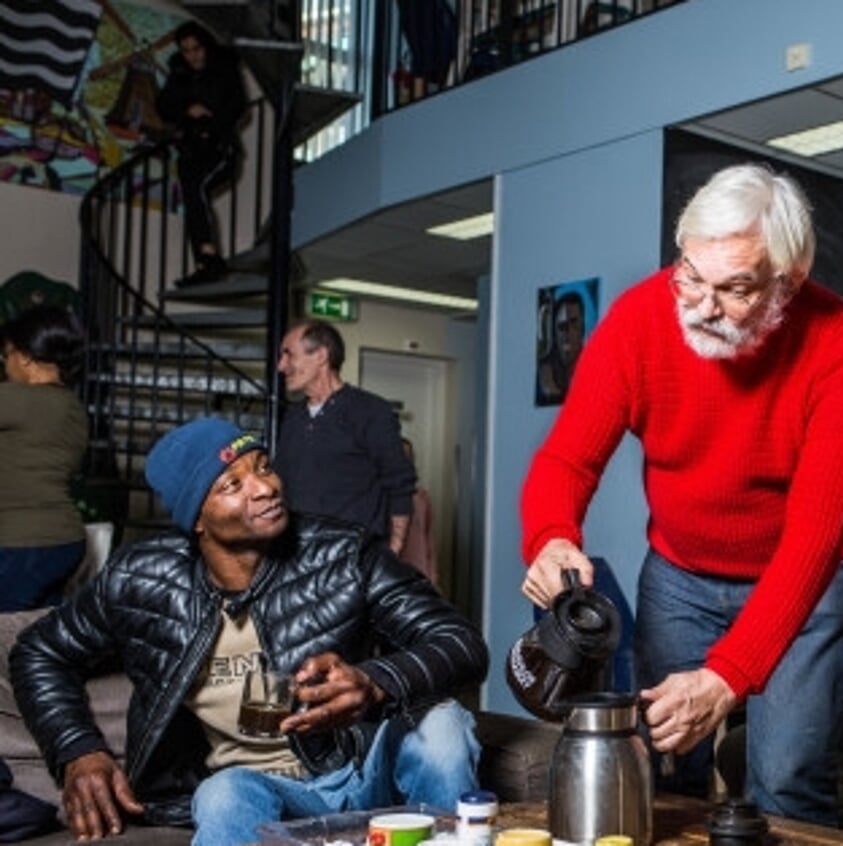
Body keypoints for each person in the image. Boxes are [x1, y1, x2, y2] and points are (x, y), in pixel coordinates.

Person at [518, 163, 843, 826]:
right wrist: (550, 536)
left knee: (787, 781)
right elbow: (567, 458)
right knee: (663, 771)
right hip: (680, 573)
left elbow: (811, 544)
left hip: (804, 578)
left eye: (734, 288)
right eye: (690, 274)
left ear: (789, 282)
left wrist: (725, 678)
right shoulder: (639, 318)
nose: (702, 305)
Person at [9, 418, 487, 846]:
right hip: (255, 791)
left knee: (445, 726)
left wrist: (376, 680)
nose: (263, 488)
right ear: (197, 518)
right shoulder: (140, 580)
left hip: (362, 769)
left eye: (264, 467)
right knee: (223, 795)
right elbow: (38, 651)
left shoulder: (345, 555)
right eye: (232, 484)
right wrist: (78, 750)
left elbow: (460, 642)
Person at [274, 320, 416, 554]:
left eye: (289, 355)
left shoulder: (371, 411)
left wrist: (394, 552)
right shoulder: (293, 418)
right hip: (297, 559)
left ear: (320, 355)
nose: (281, 366)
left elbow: (400, 486)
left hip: (352, 560)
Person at [0, 305, 88, 611]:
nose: (5, 365)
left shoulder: (17, 398)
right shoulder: (74, 408)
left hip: (21, 545)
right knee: (37, 639)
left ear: (24, 357)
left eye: (6, 355)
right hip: (66, 542)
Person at [156, 21, 247, 287]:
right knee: (194, 199)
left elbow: (237, 107)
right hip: (190, 151)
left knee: (196, 190)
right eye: (186, 50)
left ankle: (209, 259)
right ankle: (204, 262)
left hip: (220, 149)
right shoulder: (179, 72)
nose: (192, 55)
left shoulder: (224, 70)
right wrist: (188, 108)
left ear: (206, 47)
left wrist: (210, 116)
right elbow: (163, 106)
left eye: (197, 48)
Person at [398, 437, 438, 584]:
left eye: (408, 457)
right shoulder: (378, 496)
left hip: (419, 571)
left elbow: (428, 540)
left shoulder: (421, 498)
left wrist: (432, 576)